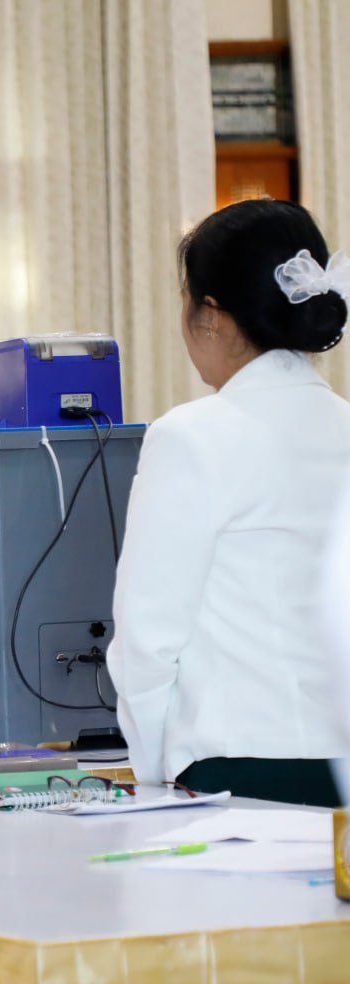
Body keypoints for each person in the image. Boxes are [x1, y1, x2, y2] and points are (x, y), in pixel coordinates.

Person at [109, 199, 350, 807]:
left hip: (240, 771)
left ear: (211, 316)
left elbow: (147, 640)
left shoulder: (189, 437)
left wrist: (152, 775)